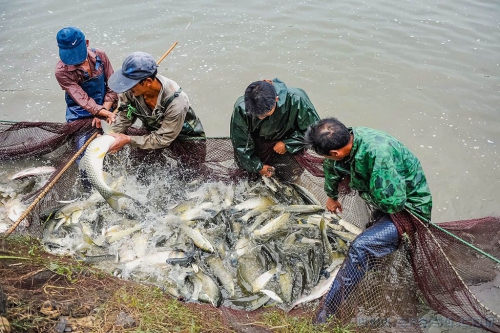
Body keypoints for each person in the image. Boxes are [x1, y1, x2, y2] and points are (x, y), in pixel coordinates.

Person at [304, 117, 433, 323]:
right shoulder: (347, 139)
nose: (329, 159)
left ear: (337, 152)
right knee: (369, 241)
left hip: (409, 210)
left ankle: (328, 311)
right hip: (383, 202)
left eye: (330, 156)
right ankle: (370, 268)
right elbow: (330, 166)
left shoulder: (378, 155)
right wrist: (332, 195)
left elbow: (394, 203)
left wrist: (363, 185)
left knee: (360, 246)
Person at [55, 26, 118, 189]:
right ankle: (90, 191)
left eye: (78, 55)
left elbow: (113, 88)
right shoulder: (61, 71)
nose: (76, 61)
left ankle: (112, 178)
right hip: (80, 114)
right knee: (84, 158)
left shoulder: (101, 56)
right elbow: (82, 99)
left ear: (87, 43)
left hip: (107, 106)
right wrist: (99, 113)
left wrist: (103, 112)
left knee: (114, 146)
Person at [106, 51, 204, 153]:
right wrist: (109, 138)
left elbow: (163, 139)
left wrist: (128, 139)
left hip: (186, 140)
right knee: (140, 163)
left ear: (148, 82)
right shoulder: (131, 91)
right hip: (152, 132)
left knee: (188, 168)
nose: (127, 88)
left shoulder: (176, 101)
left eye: (130, 84)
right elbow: (124, 117)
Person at [230, 78, 320, 177]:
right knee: (249, 179)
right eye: (256, 114)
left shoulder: (297, 99)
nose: (259, 117)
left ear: (276, 99)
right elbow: (241, 143)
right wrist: (257, 167)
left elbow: (315, 134)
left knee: (289, 180)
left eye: (264, 114)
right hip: (257, 148)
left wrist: (288, 144)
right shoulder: (241, 107)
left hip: (288, 150)